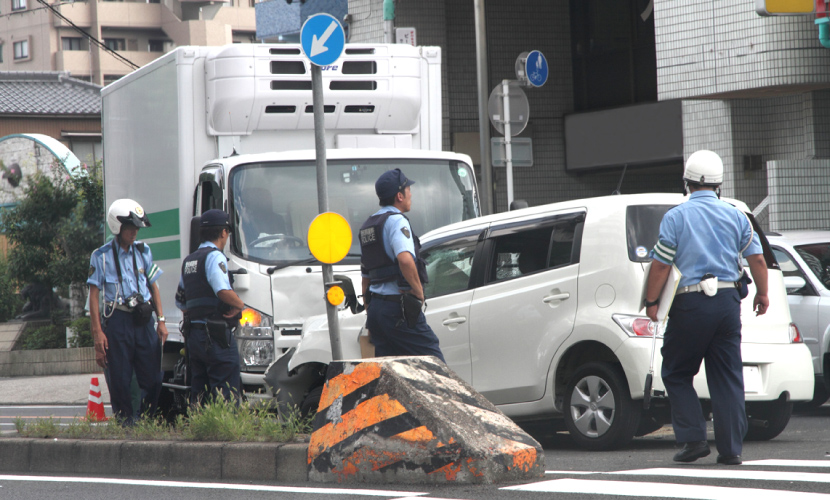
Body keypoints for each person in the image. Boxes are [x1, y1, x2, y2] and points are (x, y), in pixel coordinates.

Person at [644, 150, 769, 466]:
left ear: (686, 183)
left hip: (690, 303)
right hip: (728, 304)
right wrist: (763, 294)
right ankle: (731, 450)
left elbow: (660, 266)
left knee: (676, 371)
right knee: (727, 376)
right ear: (719, 185)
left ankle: (693, 440)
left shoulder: (676, 217)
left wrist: (651, 302)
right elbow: (756, 259)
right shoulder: (737, 216)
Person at [88, 199, 168, 424]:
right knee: (120, 380)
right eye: (130, 227)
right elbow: (94, 296)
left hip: (143, 319)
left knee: (154, 377)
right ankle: (126, 425)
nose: (134, 232)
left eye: (136, 228)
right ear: (117, 226)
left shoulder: (144, 251)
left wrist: (161, 320)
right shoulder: (101, 256)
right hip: (118, 321)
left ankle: (146, 420)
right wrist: (98, 333)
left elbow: (154, 286)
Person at [359, 168, 445, 362]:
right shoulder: (396, 221)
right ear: (399, 195)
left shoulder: (368, 226)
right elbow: (405, 259)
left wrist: (370, 311)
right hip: (398, 309)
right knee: (434, 364)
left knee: (392, 372)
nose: (411, 194)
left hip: (376, 311)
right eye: (408, 189)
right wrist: (418, 292)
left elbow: (366, 275)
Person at [175, 209, 244, 404]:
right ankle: (225, 430)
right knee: (226, 388)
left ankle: (202, 428)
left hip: (194, 337)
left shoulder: (189, 261)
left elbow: (181, 301)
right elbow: (221, 290)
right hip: (215, 336)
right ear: (223, 232)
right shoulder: (215, 257)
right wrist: (240, 304)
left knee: (200, 390)